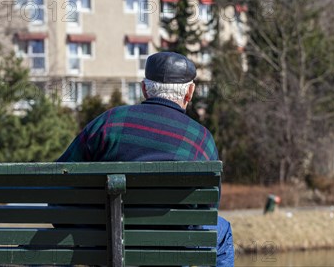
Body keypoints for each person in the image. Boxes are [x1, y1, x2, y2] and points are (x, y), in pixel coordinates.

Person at [58, 52, 234, 267]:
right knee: (222, 232)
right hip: (173, 246)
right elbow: (208, 208)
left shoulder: (110, 122)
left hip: (109, 242)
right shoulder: (201, 138)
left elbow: (60, 181)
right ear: (190, 92)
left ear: (144, 88)